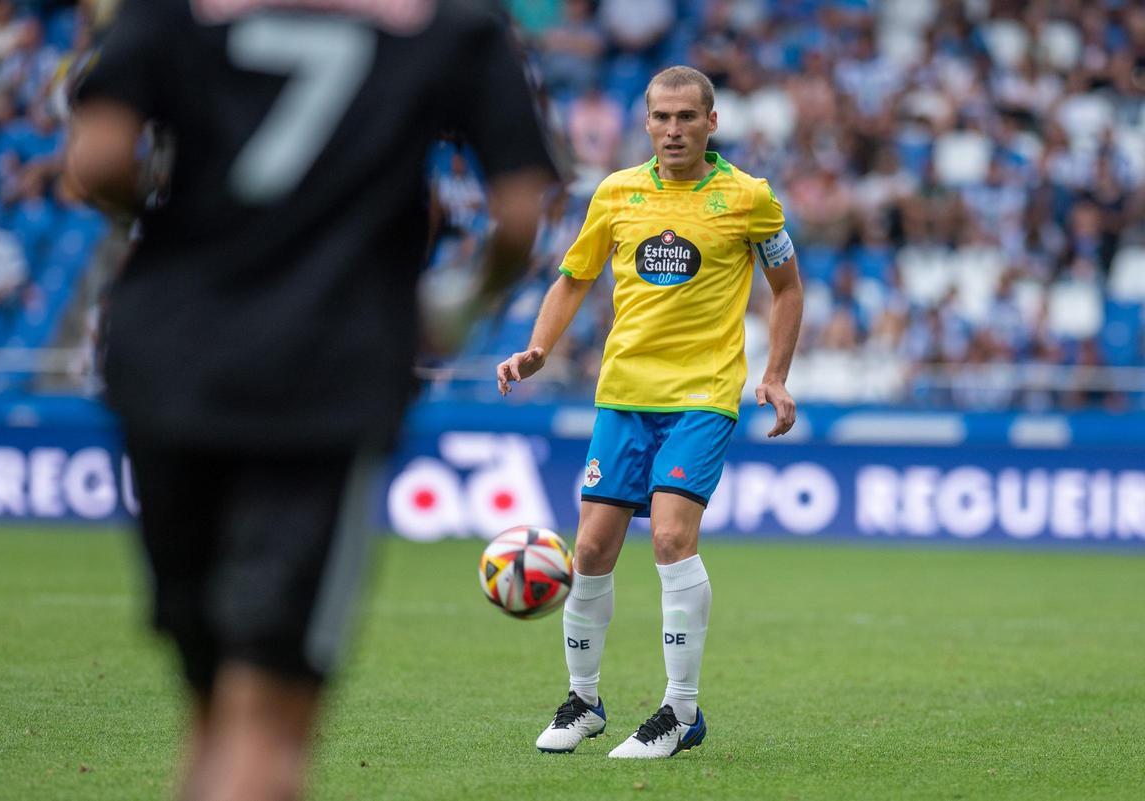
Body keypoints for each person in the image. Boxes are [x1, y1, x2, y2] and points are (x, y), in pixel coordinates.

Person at [64, 1, 555, 800]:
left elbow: (98, 159)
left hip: (169, 360)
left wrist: (181, 230)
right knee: (268, 718)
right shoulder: (454, 28)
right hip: (326, 369)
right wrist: (457, 308)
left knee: (210, 705)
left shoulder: (170, 9)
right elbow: (521, 212)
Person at [497, 65, 803, 759]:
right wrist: (539, 347)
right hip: (623, 393)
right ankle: (584, 700)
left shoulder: (749, 198)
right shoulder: (616, 192)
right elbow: (573, 277)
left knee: (670, 536)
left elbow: (787, 289)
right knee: (594, 548)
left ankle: (680, 710)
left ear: (711, 123)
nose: (673, 129)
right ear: (646, 123)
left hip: (702, 394)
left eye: (686, 118)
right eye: (661, 117)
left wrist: (776, 375)